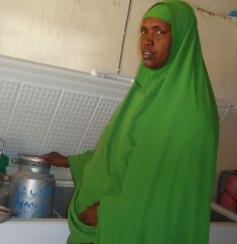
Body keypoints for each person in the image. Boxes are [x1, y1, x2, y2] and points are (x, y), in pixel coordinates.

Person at [43, 1, 219, 243]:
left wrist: (110, 213)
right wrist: (69, 161)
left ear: (181, 39)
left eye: (160, 31)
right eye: (144, 31)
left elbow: (174, 197)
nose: (147, 40)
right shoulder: (145, 91)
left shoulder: (192, 113)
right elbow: (121, 151)